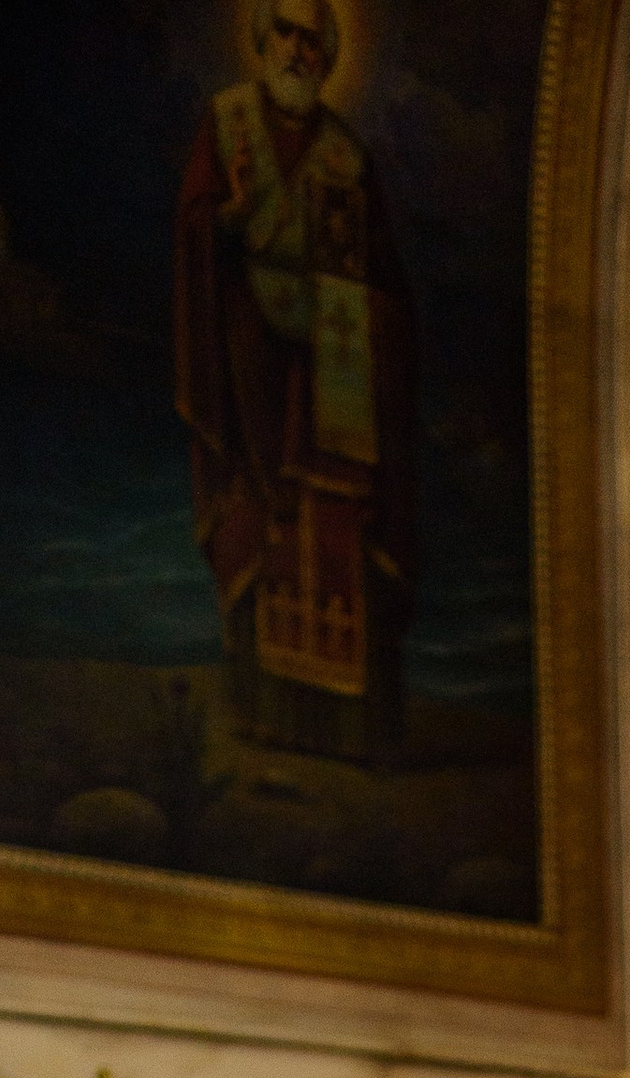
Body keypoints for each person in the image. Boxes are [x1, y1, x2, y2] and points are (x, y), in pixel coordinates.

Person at [173, 0, 414, 764]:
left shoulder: (348, 155)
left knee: (341, 530)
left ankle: (349, 732)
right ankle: (261, 714)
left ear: (332, 54)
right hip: (250, 367)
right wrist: (231, 219)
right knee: (259, 523)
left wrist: (373, 316)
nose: (300, 53)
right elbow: (193, 233)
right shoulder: (228, 123)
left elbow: (385, 274)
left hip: (333, 377)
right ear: (262, 40)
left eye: (315, 41)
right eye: (288, 35)